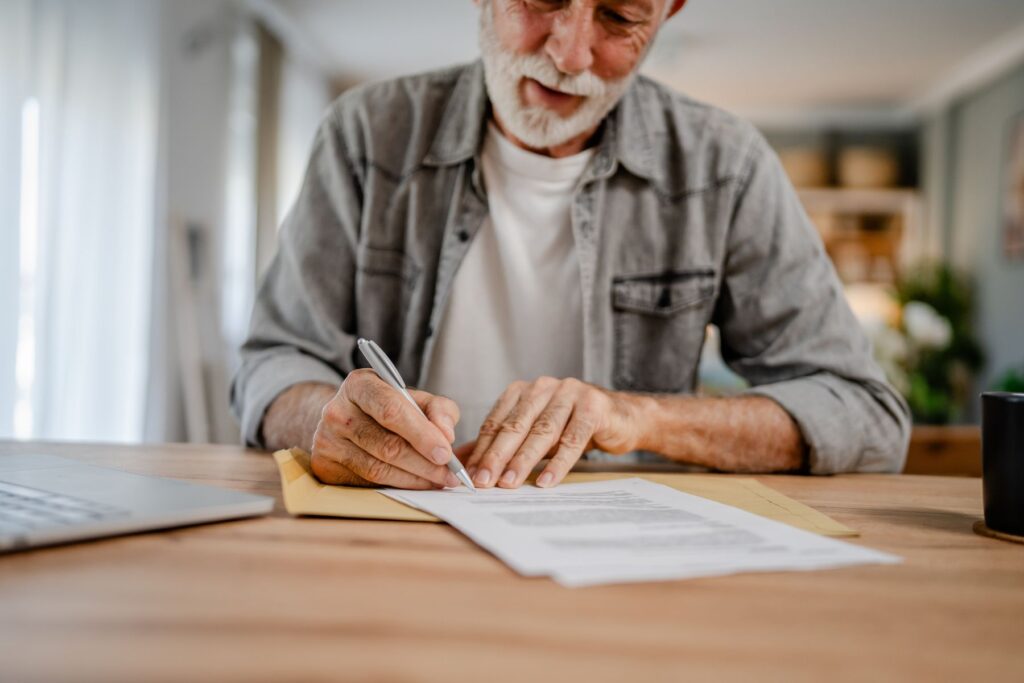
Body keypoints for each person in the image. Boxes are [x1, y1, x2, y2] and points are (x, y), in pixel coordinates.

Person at [231, 0, 910, 491]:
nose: (569, 53)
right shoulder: (364, 135)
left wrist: (634, 417)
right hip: (393, 539)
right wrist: (327, 417)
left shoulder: (726, 166)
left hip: (622, 561)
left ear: (668, 14)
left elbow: (868, 417)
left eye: (618, 16)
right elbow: (272, 361)